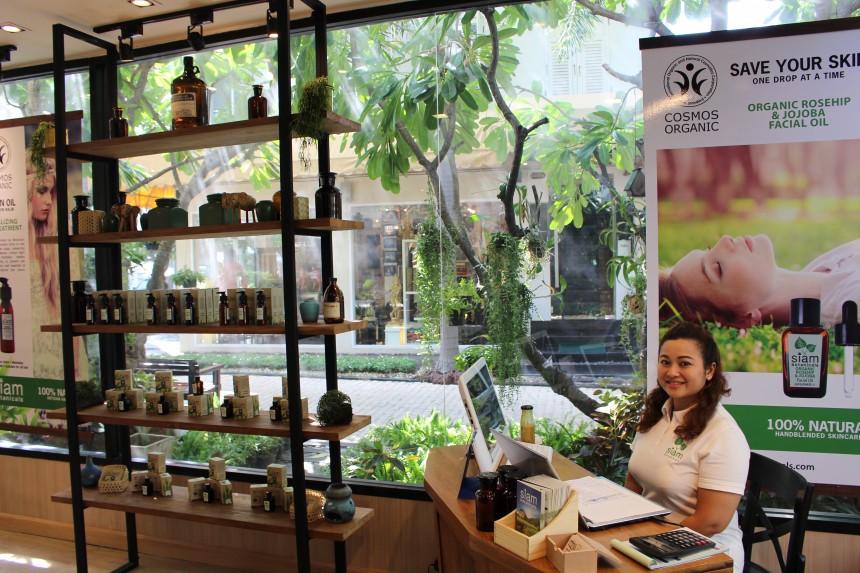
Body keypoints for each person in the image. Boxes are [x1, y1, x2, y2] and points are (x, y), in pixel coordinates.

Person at [626, 321, 750, 572]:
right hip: (648, 539)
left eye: (684, 363)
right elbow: (634, 481)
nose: (672, 372)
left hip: (706, 552)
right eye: (665, 361)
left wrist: (647, 541)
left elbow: (710, 523)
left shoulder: (723, 435)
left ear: (709, 370)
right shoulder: (657, 415)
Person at [660, 234, 860, 328]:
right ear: (744, 318)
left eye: (710, 248)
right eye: (717, 268)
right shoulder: (851, 301)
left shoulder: (824, 267)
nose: (725, 240)